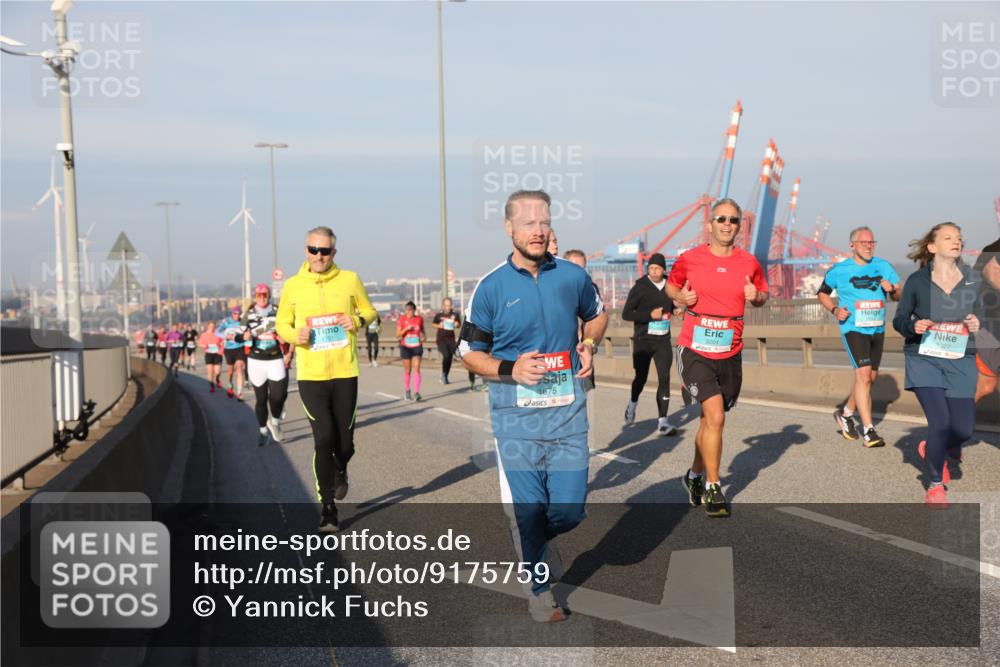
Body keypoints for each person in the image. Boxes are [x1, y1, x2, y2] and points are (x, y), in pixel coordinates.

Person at [460, 190, 608, 623]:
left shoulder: (572, 277)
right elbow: (469, 352)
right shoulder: (490, 288)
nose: (538, 230)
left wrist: (588, 342)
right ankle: (540, 589)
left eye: (544, 222)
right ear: (509, 229)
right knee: (528, 510)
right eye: (528, 223)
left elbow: (598, 314)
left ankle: (538, 541)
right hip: (515, 419)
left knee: (568, 510)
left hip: (567, 416)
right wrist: (510, 369)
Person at [666, 198, 768, 518]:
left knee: (711, 420)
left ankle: (693, 476)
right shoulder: (689, 259)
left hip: (730, 351)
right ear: (709, 224)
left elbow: (763, 295)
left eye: (733, 220)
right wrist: (682, 296)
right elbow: (671, 287)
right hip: (694, 349)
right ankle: (713, 486)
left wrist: (757, 297)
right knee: (716, 417)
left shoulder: (749, 262)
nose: (727, 224)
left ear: (739, 226)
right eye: (721, 218)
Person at [276, 226, 377, 533]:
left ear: (334, 252)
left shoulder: (350, 280)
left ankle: (340, 469)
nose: (318, 256)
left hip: (345, 372)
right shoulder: (293, 286)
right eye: (313, 250)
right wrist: (296, 335)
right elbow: (282, 323)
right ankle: (328, 507)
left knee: (345, 443)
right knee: (323, 439)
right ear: (306, 250)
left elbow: (370, 311)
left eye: (325, 251)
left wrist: (357, 319)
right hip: (311, 376)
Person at [892, 222, 982, 508]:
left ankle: (932, 447)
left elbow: (985, 316)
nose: (956, 241)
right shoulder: (918, 282)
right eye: (948, 238)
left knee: (964, 430)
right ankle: (934, 484)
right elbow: (899, 319)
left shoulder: (973, 279)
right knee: (940, 423)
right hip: (924, 357)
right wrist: (913, 325)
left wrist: (979, 322)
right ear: (932, 247)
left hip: (961, 359)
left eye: (958, 238)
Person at [816, 226, 901, 446]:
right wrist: (835, 310)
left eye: (872, 242)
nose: (868, 246)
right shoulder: (840, 270)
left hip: (877, 329)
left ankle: (845, 414)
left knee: (869, 378)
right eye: (864, 243)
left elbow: (899, 293)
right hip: (853, 328)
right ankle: (869, 431)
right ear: (852, 245)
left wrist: (891, 288)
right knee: (863, 376)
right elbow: (822, 293)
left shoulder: (883, 266)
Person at [622, 252, 683, 435]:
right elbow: (627, 314)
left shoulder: (670, 286)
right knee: (641, 378)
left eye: (657, 268)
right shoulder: (640, 288)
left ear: (664, 269)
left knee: (664, 378)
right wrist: (649, 316)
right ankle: (633, 403)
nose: (654, 272)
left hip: (663, 340)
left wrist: (675, 310)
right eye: (651, 268)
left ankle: (663, 422)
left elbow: (669, 304)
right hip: (643, 341)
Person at [242, 284, 292, 446]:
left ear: (269, 295)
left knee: (278, 396)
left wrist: (284, 339)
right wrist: (245, 336)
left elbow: (287, 330)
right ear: (255, 296)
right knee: (261, 399)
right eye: (259, 295)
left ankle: (275, 422)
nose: (262, 297)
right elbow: (238, 336)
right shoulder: (248, 314)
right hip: (256, 361)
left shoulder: (278, 310)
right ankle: (263, 431)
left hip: (275, 358)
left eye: (265, 295)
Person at [564, 249, 603, 388]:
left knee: (583, 395)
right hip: (561, 353)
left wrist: (589, 344)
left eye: (582, 268)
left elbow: (599, 315)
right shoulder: (555, 287)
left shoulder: (590, 288)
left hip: (582, 350)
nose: (579, 272)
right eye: (575, 267)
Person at [974, 237, 1000, 402]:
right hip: (990, 324)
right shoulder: (993, 249)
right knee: (986, 385)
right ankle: (954, 421)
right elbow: (991, 270)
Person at [396, 301, 426, 400]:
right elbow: (397, 335)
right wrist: (406, 329)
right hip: (406, 347)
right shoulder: (402, 320)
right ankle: (407, 390)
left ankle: (417, 392)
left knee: (416, 368)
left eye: (410, 310)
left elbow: (422, 331)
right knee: (408, 370)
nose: (408, 312)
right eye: (406, 310)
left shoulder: (419, 319)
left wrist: (423, 337)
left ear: (414, 310)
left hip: (417, 346)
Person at [218, 306, 247, 399]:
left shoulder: (243, 322)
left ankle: (239, 393)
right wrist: (225, 337)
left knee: (239, 368)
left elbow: (248, 331)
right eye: (235, 313)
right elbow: (217, 332)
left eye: (238, 314)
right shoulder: (226, 321)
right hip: (229, 349)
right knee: (230, 370)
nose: (237, 315)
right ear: (232, 313)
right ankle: (230, 384)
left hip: (240, 347)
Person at [433, 297, 461, 384]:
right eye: (446, 305)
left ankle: (445, 375)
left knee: (450, 358)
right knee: (446, 355)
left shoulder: (455, 314)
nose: (448, 307)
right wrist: (439, 326)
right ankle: (444, 375)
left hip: (451, 339)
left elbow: (459, 324)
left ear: (451, 305)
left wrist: (457, 324)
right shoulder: (439, 315)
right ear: (443, 305)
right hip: (441, 339)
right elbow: (433, 323)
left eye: (449, 305)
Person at [199, 321, 225, 392]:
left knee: (217, 371)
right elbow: (200, 344)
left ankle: (217, 379)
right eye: (211, 326)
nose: (212, 328)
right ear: (208, 326)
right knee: (210, 371)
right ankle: (212, 386)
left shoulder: (218, 334)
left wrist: (222, 345)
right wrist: (204, 345)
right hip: (209, 354)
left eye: (213, 326)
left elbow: (223, 342)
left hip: (217, 354)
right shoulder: (204, 335)